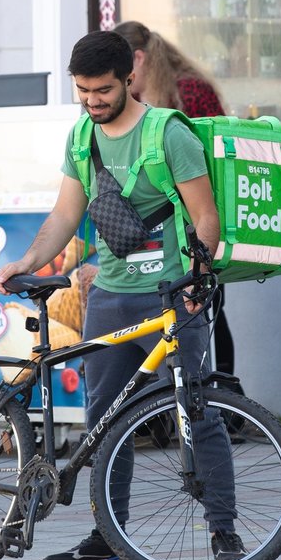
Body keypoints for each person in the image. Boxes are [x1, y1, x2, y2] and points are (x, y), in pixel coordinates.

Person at [0, 30, 245, 560]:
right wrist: (27, 262)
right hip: (109, 295)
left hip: (172, 294)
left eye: (102, 90)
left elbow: (205, 215)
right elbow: (65, 215)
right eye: (82, 91)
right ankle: (109, 532)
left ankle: (224, 531)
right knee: (104, 420)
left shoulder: (167, 133)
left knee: (194, 410)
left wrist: (199, 278)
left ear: (129, 78)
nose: (92, 101)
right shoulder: (82, 138)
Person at [113, 20, 236, 376]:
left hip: (199, 220)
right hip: (163, 233)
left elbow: (211, 160)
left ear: (136, 59)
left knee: (207, 311)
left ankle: (225, 399)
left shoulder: (190, 92)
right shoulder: (135, 98)